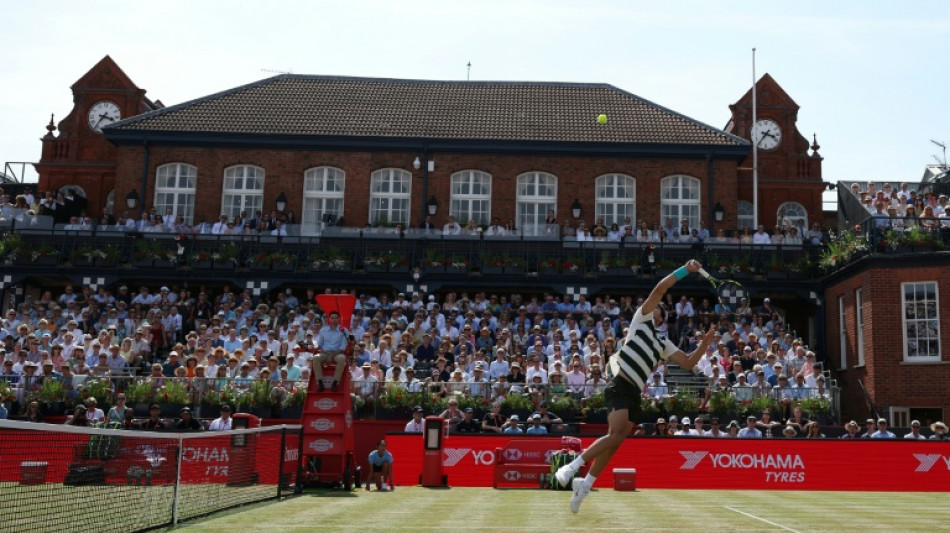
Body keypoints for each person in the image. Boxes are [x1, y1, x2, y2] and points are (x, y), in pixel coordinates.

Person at [554, 259, 716, 513]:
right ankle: (572, 467)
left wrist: (704, 344)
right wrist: (685, 269)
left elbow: (688, 362)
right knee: (614, 435)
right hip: (620, 383)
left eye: (659, 307)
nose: (655, 305)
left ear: (662, 317)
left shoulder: (663, 343)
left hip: (634, 394)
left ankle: (584, 486)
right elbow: (660, 288)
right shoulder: (640, 320)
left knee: (616, 441)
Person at [314, 311, 348, 391]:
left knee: (342, 358)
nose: (334, 320)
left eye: (336, 318)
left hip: (337, 353)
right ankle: (320, 383)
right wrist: (314, 347)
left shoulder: (343, 330)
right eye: (332, 318)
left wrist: (331, 356)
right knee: (315, 358)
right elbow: (320, 344)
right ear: (329, 319)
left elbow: (342, 347)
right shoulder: (323, 330)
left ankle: (335, 383)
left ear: (339, 319)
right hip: (325, 353)